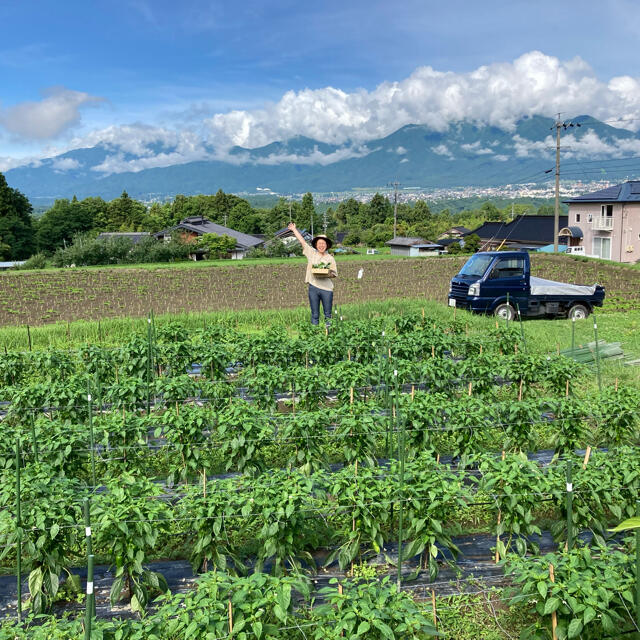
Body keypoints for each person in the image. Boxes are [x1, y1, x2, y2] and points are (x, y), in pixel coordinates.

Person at [287, 222, 337, 325]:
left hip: (327, 289)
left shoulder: (330, 258)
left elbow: (334, 274)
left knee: (328, 314)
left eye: (323, 244)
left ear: (327, 245)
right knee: (315, 314)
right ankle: (314, 337)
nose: (321, 246)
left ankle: (329, 335)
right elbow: (302, 242)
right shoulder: (311, 253)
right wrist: (294, 230)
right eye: (319, 244)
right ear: (316, 245)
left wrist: (327, 273)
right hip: (313, 287)